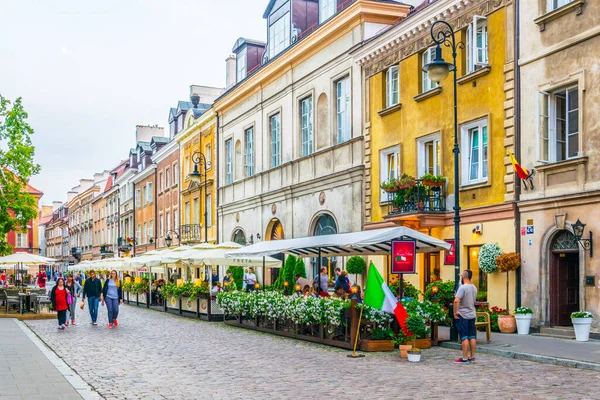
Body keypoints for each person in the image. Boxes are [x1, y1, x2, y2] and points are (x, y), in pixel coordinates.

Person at [453, 270, 478, 364]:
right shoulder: (474, 287)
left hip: (463, 314)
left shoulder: (462, 287)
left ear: (464, 276)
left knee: (464, 337)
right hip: (472, 314)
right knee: (472, 336)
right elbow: (473, 301)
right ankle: (472, 356)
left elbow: (456, 301)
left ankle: (465, 358)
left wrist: (455, 312)